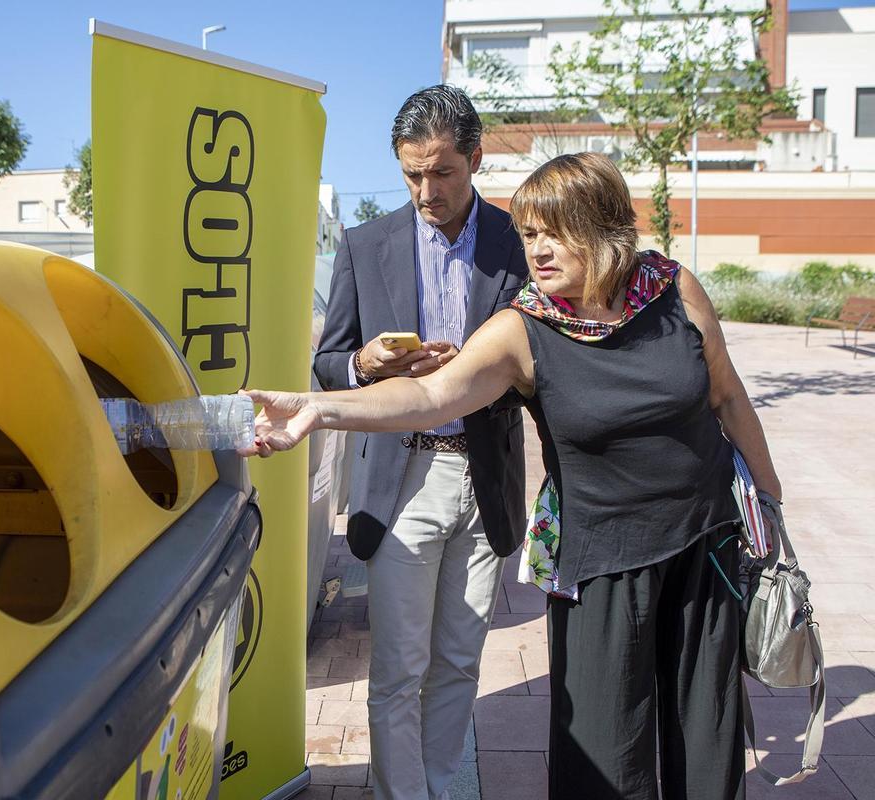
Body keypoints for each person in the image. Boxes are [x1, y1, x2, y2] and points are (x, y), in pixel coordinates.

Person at [251, 152, 782, 800]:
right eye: (529, 235)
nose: (538, 250)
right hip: (600, 567)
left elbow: (727, 398)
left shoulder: (675, 290)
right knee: (606, 763)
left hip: (705, 546)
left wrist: (771, 511)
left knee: (707, 744)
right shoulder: (523, 330)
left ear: (605, 227)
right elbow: (429, 397)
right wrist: (321, 408)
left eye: (555, 231)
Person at [313, 84, 528, 800]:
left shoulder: (517, 243)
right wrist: (365, 365)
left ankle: (438, 787)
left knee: (460, 661)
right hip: (403, 478)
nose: (426, 190)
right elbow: (329, 361)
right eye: (412, 174)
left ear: (474, 159)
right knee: (399, 668)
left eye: (442, 173)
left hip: (486, 478)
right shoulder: (365, 242)